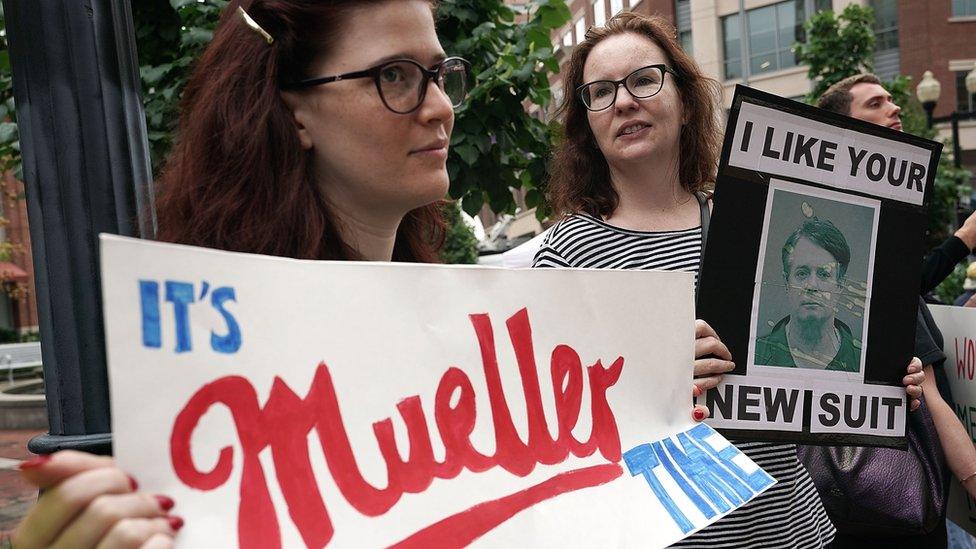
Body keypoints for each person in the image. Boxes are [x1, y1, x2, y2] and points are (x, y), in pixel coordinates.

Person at [11, 3, 710, 547]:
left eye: (439, 74)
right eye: (395, 77)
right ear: (294, 111)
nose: (440, 106)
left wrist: (641, 410)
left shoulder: (463, 335)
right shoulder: (219, 365)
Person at [533, 15, 925, 547]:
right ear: (587, 124)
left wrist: (874, 375)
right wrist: (655, 374)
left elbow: (805, 367)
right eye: (600, 93)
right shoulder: (568, 252)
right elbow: (552, 422)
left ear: (685, 99)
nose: (624, 102)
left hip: (792, 529)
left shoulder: (753, 220)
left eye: (644, 80)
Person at [816, 73, 976, 548]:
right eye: (875, 103)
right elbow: (926, 389)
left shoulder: (882, 226)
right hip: (894, 494)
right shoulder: (858, 238)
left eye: (892, 99)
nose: (895, 109)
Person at [755, 218, 860, 372]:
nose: (812, 285)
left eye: (824, 274)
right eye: (802, 273)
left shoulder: (865, 361)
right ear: (786, 282)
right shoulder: (754, 355)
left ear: (840, 285)